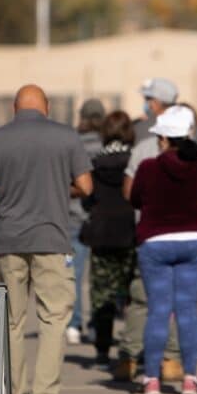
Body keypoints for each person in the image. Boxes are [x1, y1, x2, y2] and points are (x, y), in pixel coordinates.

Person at [0, 84, 92, 394]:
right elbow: (86, 186)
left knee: (12, 320)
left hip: (9, 239)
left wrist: (12, 192)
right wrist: (55, 187)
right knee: (54, 317)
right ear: (47, 106)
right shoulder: (67, 137)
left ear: (15, 108)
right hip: (52, 237)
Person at [117, 87, 197, 383]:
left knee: (152, 307)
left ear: (162, 136)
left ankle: (145, 372)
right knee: (188, 309)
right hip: (193, 239)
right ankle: (186, 372)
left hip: (153, 239)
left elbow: (132, 196)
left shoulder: (145, 159)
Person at [80, 111, 136, 368]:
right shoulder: (136, 160)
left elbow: (86, 197)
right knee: (132, 293)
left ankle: (102, 350)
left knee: (102, 294)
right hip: (130, 232)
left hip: (101, 232)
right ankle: (132, 349)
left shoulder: (94, 163)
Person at [66, 99, 106, 346]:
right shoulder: (105, 145)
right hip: (100, 218)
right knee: (99, 277)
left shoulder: (72, 144)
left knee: (74, 275)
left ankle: (73, 323)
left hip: (73, 216)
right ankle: (96, 325)